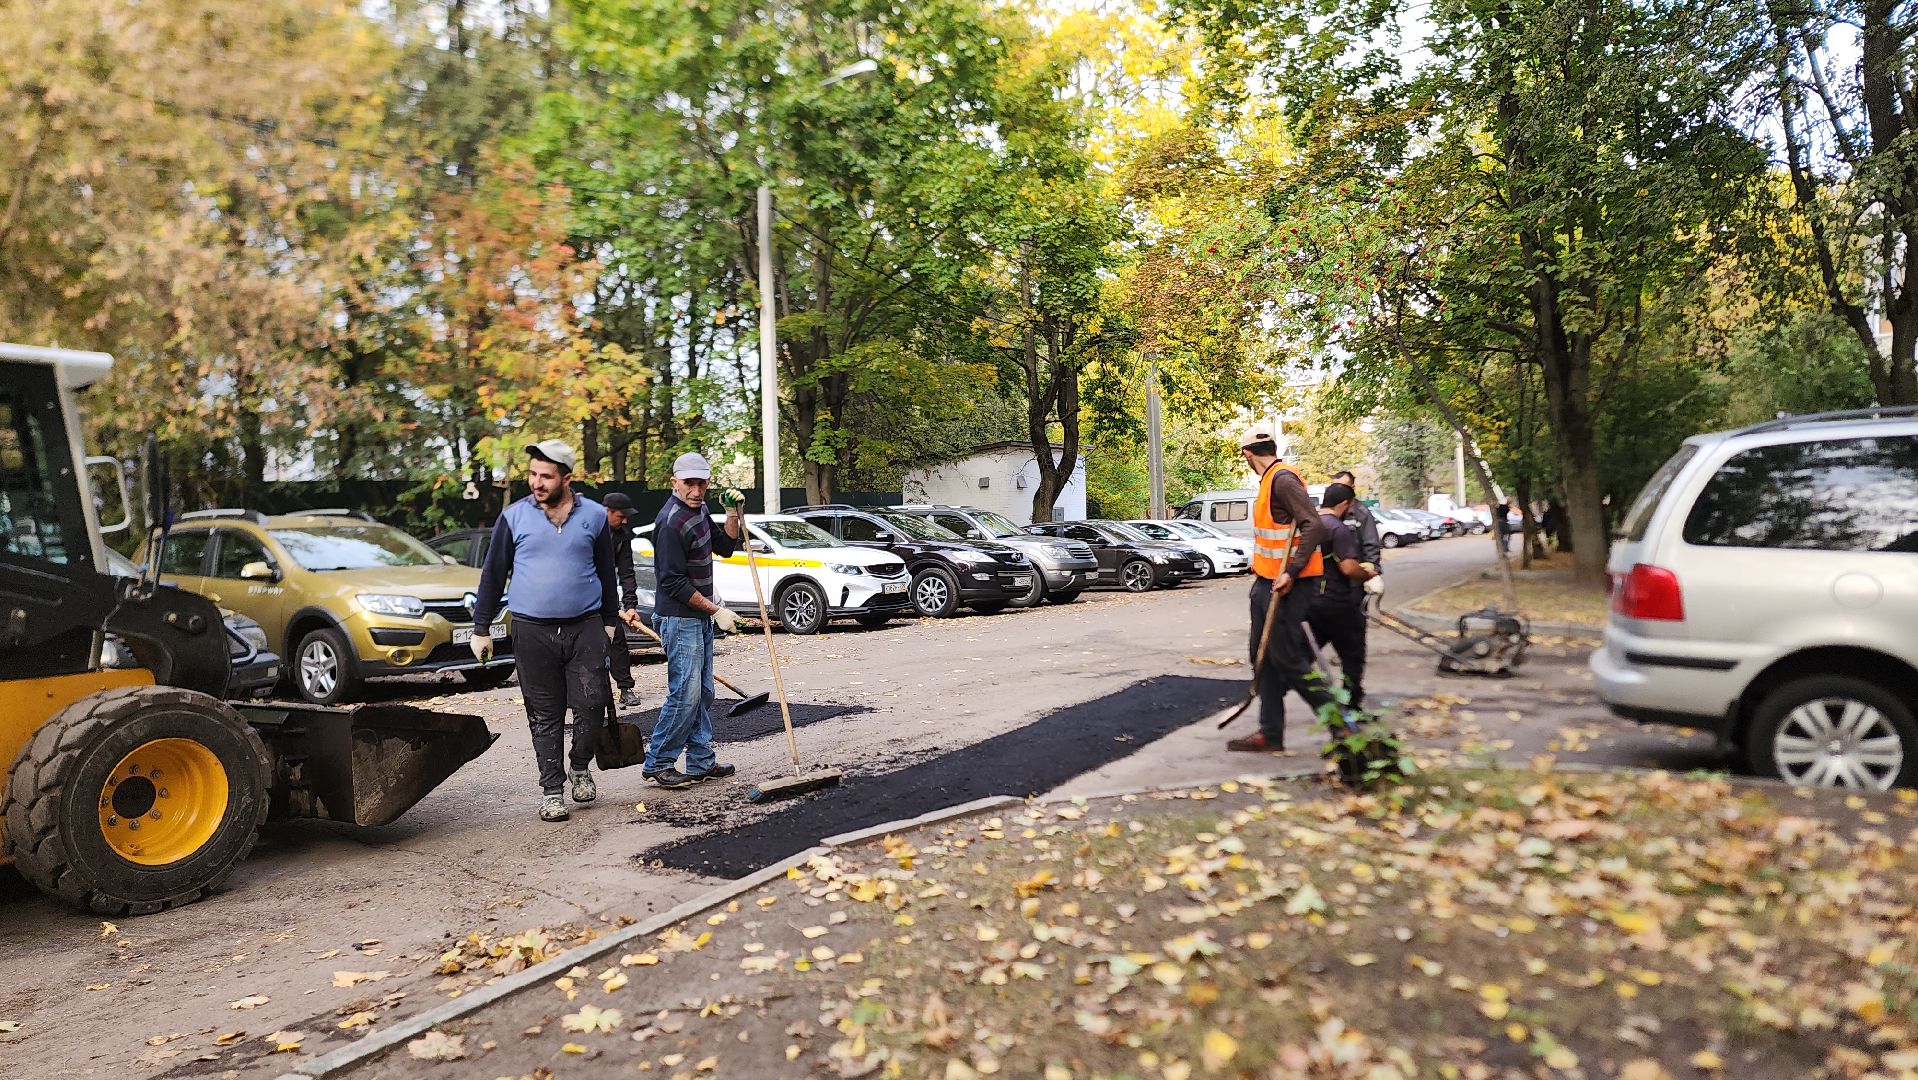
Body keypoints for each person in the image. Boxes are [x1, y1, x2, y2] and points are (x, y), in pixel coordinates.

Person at [469, 440, 621, 823]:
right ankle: (552, 790)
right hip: (531, 630)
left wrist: (609, 620)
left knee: (592, 701)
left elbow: (607, 570)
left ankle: (580, 764)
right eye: (533, 474)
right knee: (544, 712)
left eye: (546, 476)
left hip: (585, 625)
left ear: (566, 478)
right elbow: (493, 573)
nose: (536, 482)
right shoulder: (514, 517)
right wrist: (481, 627)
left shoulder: (595, 517)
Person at [1228, 427, 1337, 754]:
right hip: (1266, 582)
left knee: (1288, 659)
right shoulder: (1270, 480)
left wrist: (1291, 571)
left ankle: (1343, 726)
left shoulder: (1283, 480)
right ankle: (1270, 732)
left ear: (1247, 454)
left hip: (1288, 586)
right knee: (1263, 660)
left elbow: (1313, 526)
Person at [639, 452, 744, 790]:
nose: (696, 490)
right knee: (685, 694)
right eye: (689, 483)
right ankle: (658, 762)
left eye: (702, 483)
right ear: (674, 482)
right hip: (678, 617)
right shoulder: (670, 522)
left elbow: (726, 546)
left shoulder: (698, 510)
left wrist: (731, 514)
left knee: (703, 692)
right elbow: (672, 582)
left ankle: (700, 761)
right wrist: (717, 611)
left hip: (697, 616)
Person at [1307, 483, 1377, 709]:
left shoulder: (1311, 525)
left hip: (1310, 602)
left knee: (1300, 657)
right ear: (1344, 504)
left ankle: (1280, 693)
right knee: (1352, 656)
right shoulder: (1338, 529)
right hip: (1338, 603)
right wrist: (1366, 573)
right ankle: (1352, 706)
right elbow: (1348, 568)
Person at [602, 491, 643, 710]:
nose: (625, 520)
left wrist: (630, 606)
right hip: (583, 602)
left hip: (608, 603)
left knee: (617, 642)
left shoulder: (621, 536)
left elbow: (627, 573)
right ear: (607, 511)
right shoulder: (588, 531)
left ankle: (625, 689)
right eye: (621, 516)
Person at [1331, 469, 1385, 607]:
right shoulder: (1331, 513)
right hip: (1333, 583)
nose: (1337, 491)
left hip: (1355, 583)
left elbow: (1371, 546)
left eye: (1342, 487)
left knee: (1355, 622)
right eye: (1334, 487)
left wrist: (1371, 573)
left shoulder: (1361, 514)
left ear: (1352, 488)